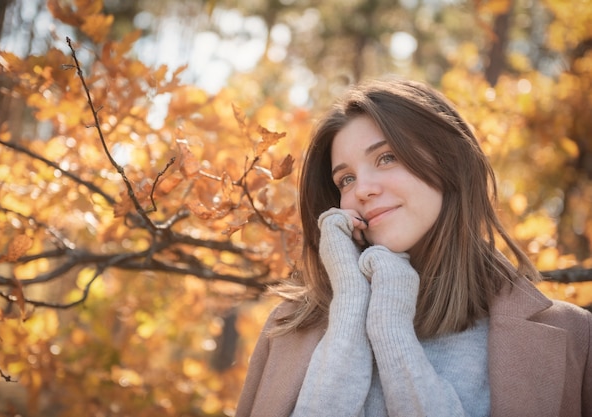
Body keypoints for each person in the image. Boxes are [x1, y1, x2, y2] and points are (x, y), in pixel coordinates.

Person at [234, 78, 592, 417]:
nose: (363, 190)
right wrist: (350, 308)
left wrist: (391, 330)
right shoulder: (286, 328)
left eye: (386, 158)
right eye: (346, 179)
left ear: (448, 160)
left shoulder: (575, 336)